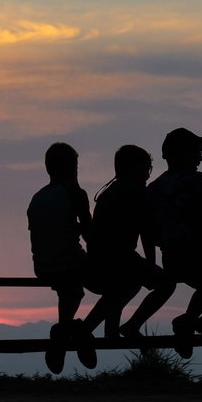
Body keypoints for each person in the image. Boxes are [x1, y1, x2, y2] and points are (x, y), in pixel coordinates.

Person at [145, 127, 202, 358]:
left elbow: (150, 230)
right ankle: (199, 321)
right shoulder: (197, 180)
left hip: (171, 259)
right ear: (184, 154)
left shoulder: (153, 187)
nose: (201, 158)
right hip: (198, 255)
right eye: (197, 152)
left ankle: (190, 323)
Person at [86, 144, 177, 340]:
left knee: (127, 284)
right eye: (146, 168)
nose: (148, 174)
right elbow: (146, 231)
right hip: (119, 257)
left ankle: (105, 330)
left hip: (98, 259)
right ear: (135, 168)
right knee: (166, 284)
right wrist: (151, 263)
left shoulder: (109, 192)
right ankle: (128, 325)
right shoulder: (137, 192)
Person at [26, 142, 100, 373]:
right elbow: (90, 235)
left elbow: (50, 231)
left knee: (70, 289)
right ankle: (81, 330)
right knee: (119, 283)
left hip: (42, 267)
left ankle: (63, 331)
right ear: (71, 167)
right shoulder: (75, 194)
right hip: (69, 263)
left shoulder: (37, 197)